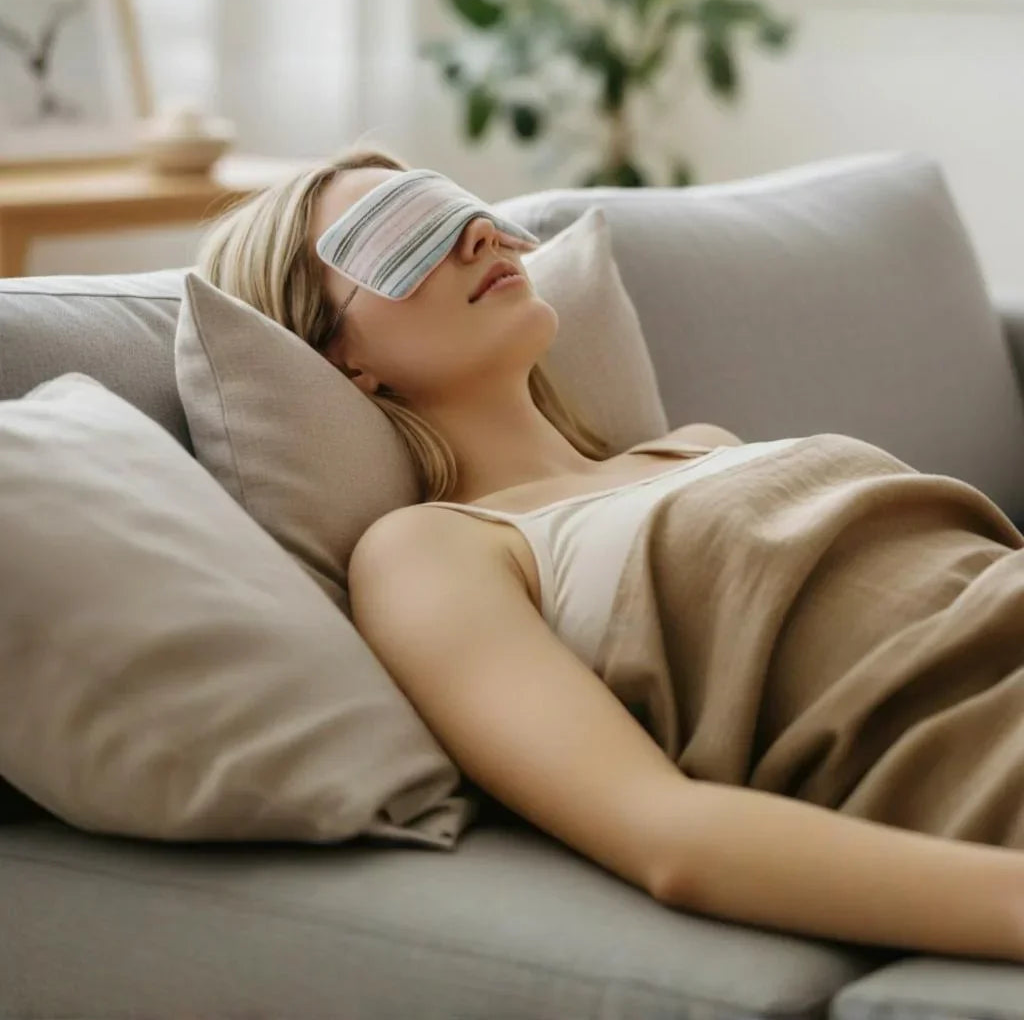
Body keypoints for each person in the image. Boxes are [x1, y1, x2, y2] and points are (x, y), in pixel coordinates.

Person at [195, 142, 1024, 967]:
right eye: (402, 235)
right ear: (340, 353)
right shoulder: (431, 551)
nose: (478, 236)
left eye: (458, 208)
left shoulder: (698, 447)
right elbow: (668, 836)